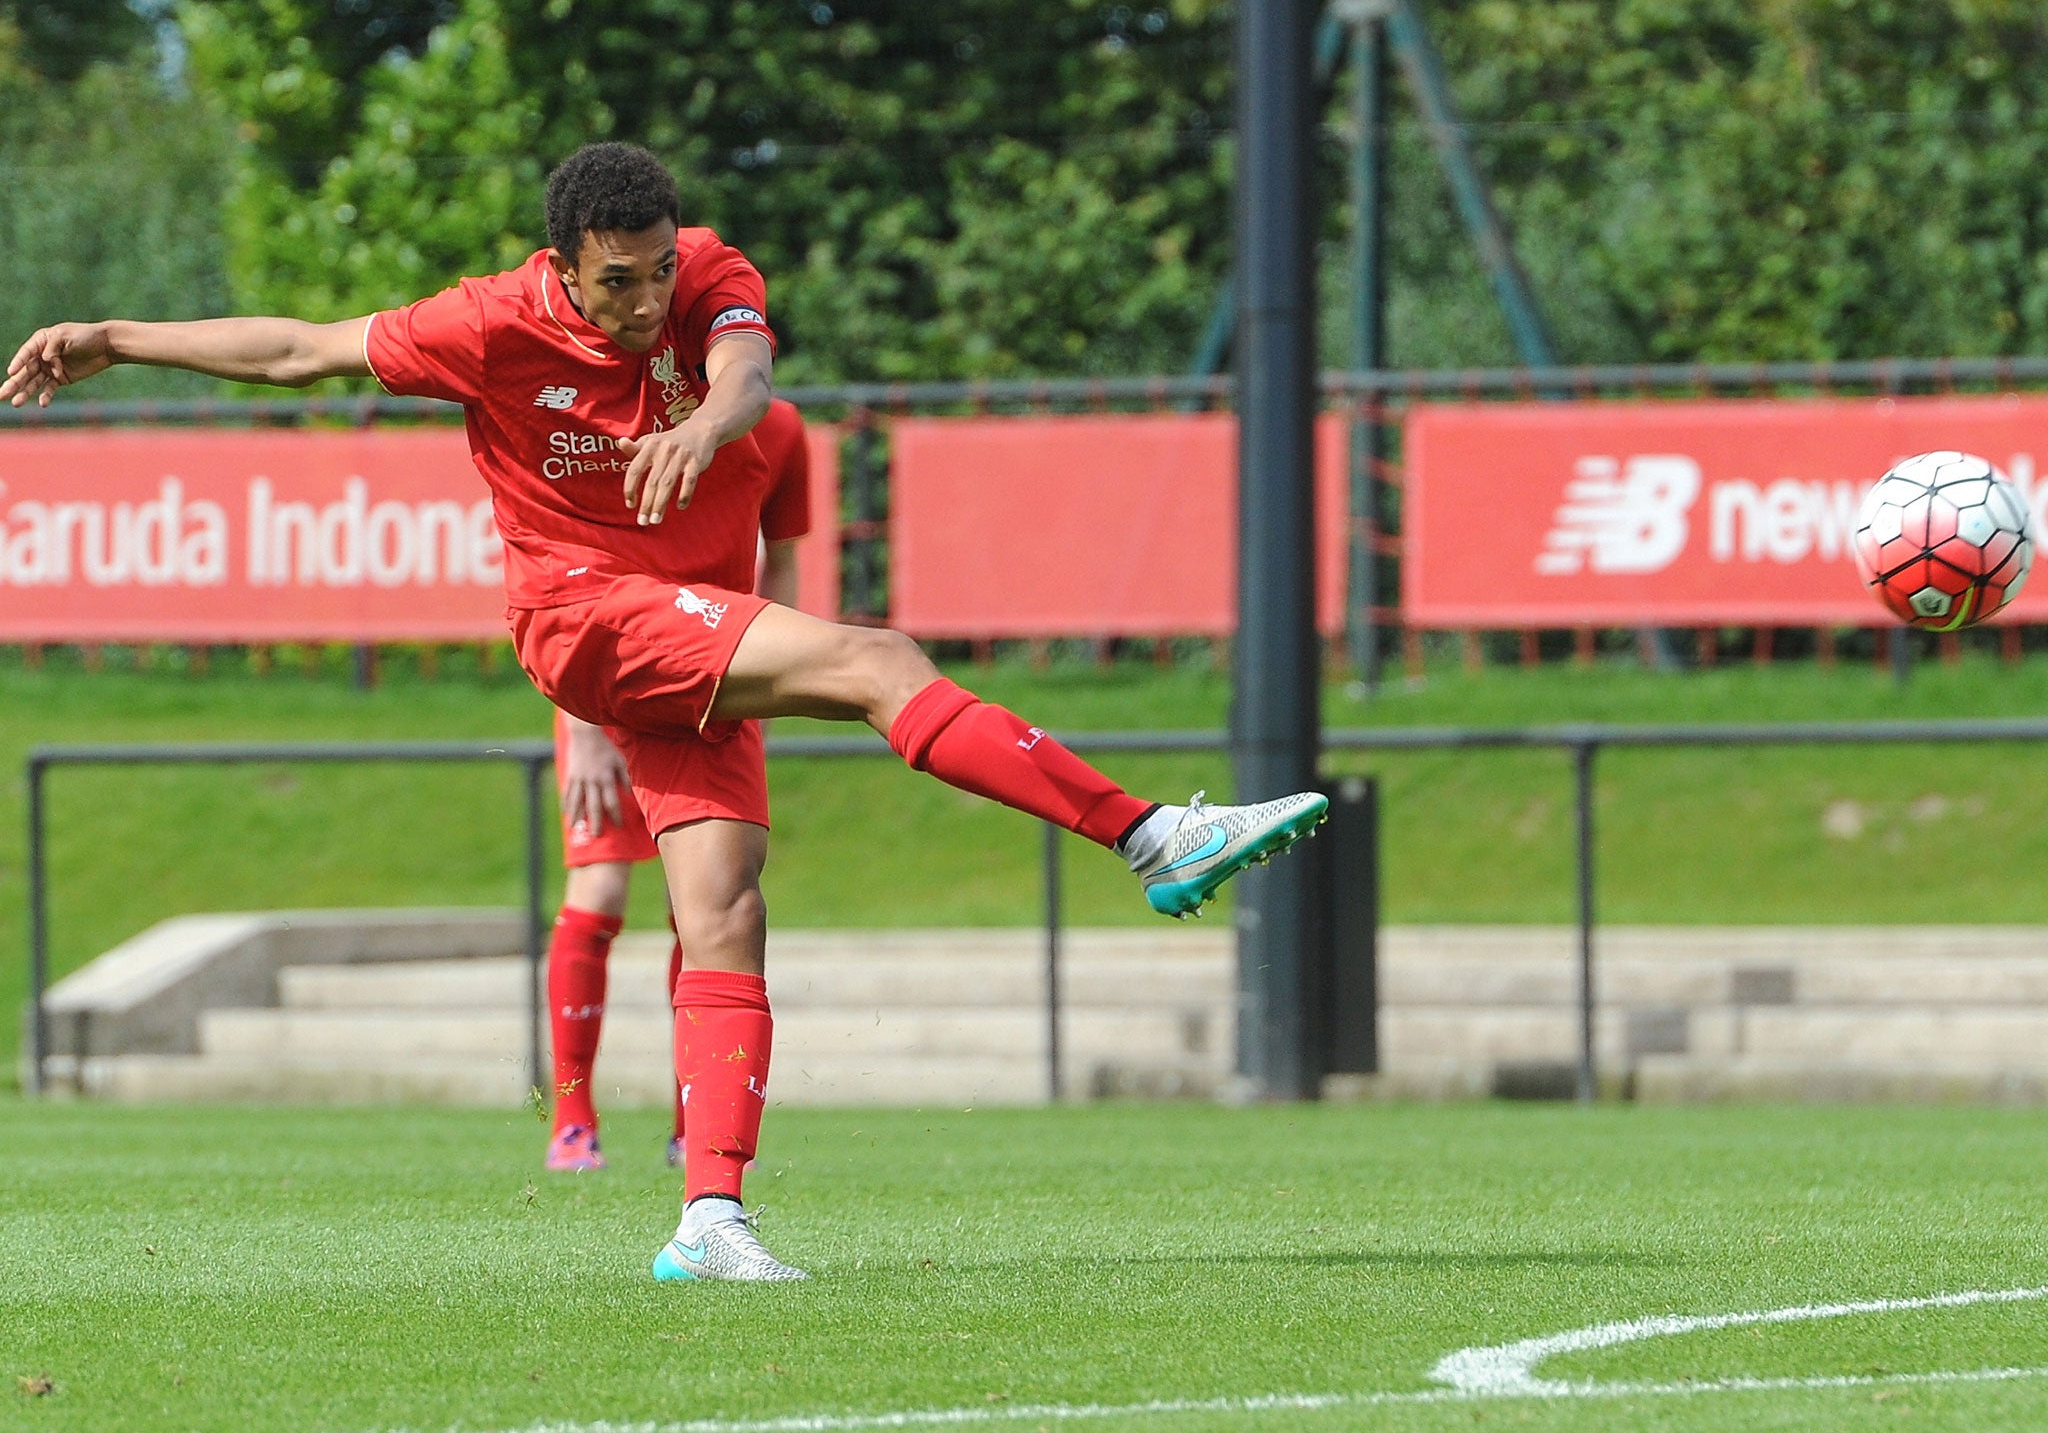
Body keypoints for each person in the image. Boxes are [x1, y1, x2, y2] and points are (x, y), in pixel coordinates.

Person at [2, 141, 1329, 1284]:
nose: (646, 302)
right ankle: (1153, 837)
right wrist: (113, 337)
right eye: (614, 281)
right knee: (878, 662)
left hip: (691, 627)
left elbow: (747, 376)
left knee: (725, 905)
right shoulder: (485, 324)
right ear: (561, 266)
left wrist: (708, 426)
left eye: (656, 272)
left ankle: (711, 1216)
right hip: (585, 615)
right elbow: (299, 349)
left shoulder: (710, 273)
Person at [546, 396, 811, 1174]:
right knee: (596, 896)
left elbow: (783, 563)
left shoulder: (783, 429)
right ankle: (571, 1119)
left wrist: (774, 682)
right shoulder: (624, 415)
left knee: (702, 909)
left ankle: (688, 1126)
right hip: (608, 689)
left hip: (713, 690)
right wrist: (583, 732)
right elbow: (576, 578)